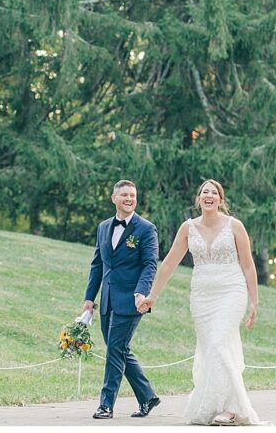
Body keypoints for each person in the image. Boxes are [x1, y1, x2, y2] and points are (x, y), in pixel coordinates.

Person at [136, 179, 262, 425]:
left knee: (218, 343)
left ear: (220, 200)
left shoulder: (235, 226)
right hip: (202, 296)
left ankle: (231, 408)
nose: (209, 195)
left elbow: (248, 264)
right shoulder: (188, 228)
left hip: (231, 291)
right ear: (198, 199)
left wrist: (254, 302)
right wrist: (153, 295)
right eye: (205, 192)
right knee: (212, 349)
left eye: (214, 193)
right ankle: (218, 404)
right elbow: (170, 262)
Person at [82, 179, 161, 419]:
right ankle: (148, 397)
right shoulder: (104, 227)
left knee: (115, 349)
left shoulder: (146, 228)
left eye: (133, 195)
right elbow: (98, 264)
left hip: (132, 301)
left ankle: (106, 405)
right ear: (114, 198)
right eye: (124, 195)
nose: (129, 199)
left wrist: (142, 292)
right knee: (118, 349)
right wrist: (89, 298)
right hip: (107, 299)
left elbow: (150, 264)